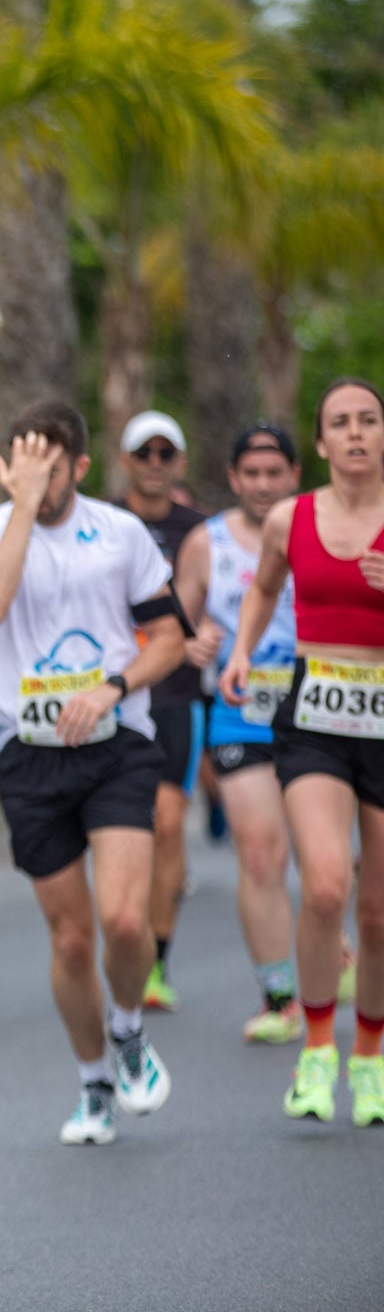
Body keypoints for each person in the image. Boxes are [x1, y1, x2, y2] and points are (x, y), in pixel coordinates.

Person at [0, 400, 181, 1146]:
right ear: (6, 467)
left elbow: (171, 638)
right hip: (27, 752)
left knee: (123, 919)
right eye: (27, 465)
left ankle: (127, 1028)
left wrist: (112, 686)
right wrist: (22, 505)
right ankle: (92, 1082)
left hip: (117, 740)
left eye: (54, 467)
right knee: (72, 940)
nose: (42, 479)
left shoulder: (119, 532)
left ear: (81, 467)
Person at [219, 377, 384, 1126]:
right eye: (340, 423)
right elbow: (262, 587)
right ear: (319, 443)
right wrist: (241, 653)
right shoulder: (292, 516)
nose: (355, 434)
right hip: (314, 710)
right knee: (323, 884)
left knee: (377, 911)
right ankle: (318, 1049)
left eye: (368, 421)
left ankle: (370, 1058)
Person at [175, 423, 304, 1043]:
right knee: (261, 853)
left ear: (294, 476)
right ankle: (279, 996)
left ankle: (338, 948)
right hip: (239, 712)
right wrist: (192, 642)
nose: (261, 485)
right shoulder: (207, 543)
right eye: (250, 474)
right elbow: (174, 622)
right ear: (232, 479)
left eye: (273, 473)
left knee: (337, 864)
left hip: (324, 711)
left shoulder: (320, 529)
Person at [114, 411, 208, 1012]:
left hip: (176, 694)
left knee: (169, 824)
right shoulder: (102, 524)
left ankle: (155, 964)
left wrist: (210, 634)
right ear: (125, 460)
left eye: (164, 453)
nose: (154, 462)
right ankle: (122, 936)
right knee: (126, 830)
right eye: (143, 452)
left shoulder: (201, 530)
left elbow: (233, 595)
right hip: (114, 691)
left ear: (179, 463)